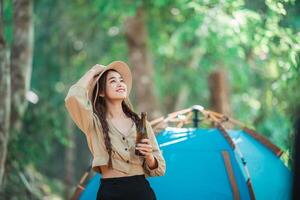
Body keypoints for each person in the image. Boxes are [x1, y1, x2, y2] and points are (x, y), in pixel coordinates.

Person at [64, 61, 166, 200]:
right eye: (113, 81)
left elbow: (159, 169)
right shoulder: (93, 123)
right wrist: (93, 71)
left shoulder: (141, 123)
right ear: (101, 92)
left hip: (141, 191)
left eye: (122, 81)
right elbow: (73, 97)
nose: (120, 84)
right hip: (110, 192)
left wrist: (149, 156)